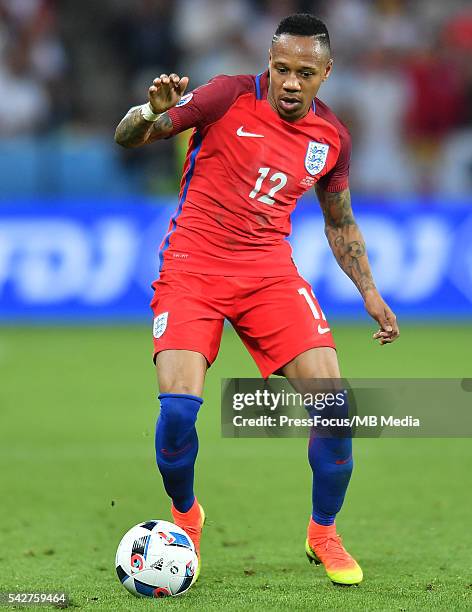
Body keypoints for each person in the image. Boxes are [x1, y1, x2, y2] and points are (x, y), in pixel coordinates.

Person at [115, 13, 400, 587]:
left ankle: (323, 533)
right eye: (281, 69)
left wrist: (369, 291)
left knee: (335, 408)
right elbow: (128, 138)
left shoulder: (330, 139)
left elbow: (339, 221)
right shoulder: (225, 95)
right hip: (192, 267)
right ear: (268, 63)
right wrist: (150, 110)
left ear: (326, 73)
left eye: (304, 72)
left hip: (268, 272)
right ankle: (186, 516)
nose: (290, 82)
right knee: (176, 413)